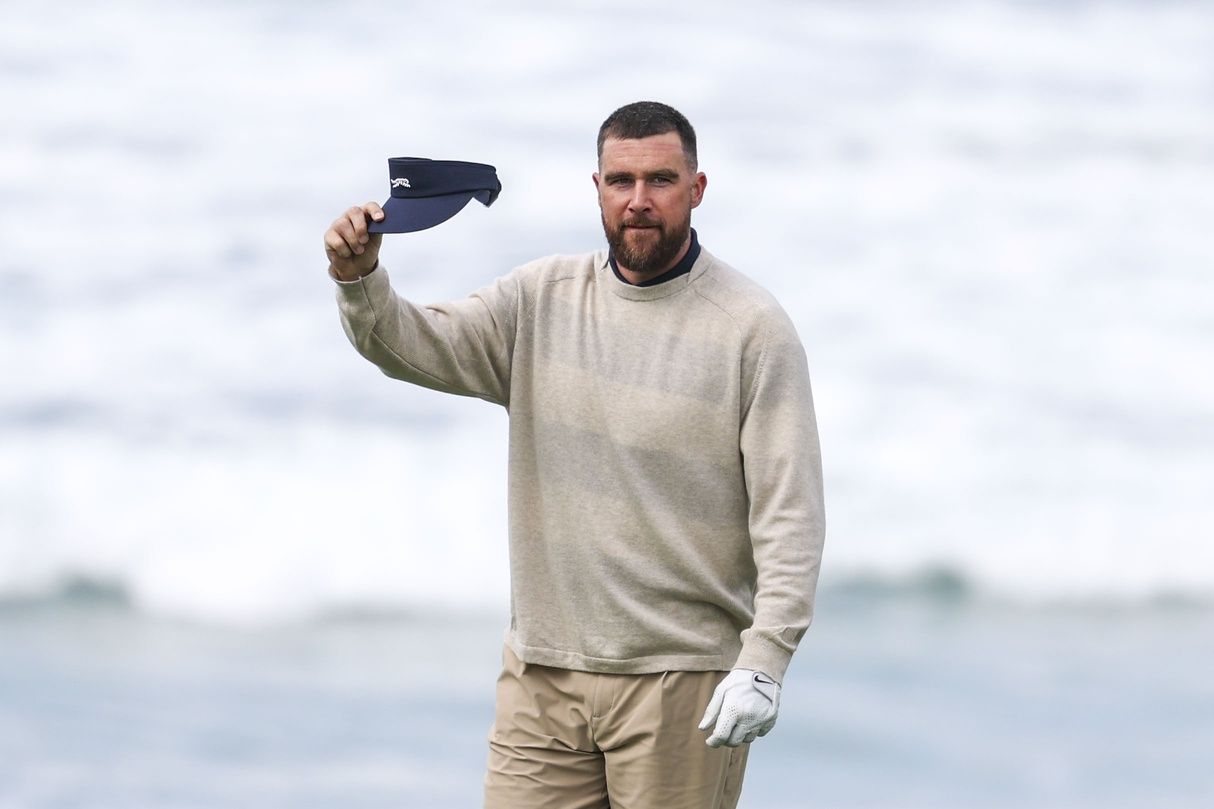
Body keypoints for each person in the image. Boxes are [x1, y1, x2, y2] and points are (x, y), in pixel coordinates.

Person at [324, 101, 825, 809]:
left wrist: (765, 661)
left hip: (680, 680)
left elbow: (790, 512)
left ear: (697, 189)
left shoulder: (752, 328)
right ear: (597, 188)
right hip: (541, 678)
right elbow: (412, 345)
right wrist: (360, 278)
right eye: (621, 181)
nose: (639, 200)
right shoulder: (540, 299)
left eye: (660, 180)